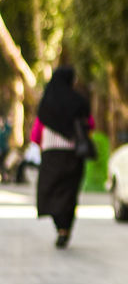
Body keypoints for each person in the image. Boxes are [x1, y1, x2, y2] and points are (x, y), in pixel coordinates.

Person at [31, 65, 94, 248]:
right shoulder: (79, 102)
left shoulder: (46, 103)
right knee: (69, 193)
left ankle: (59, 226)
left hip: (51, 154)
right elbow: (90, 124)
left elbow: (36, 133)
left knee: (51, 190)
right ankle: (65, 228)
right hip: (73, 154)